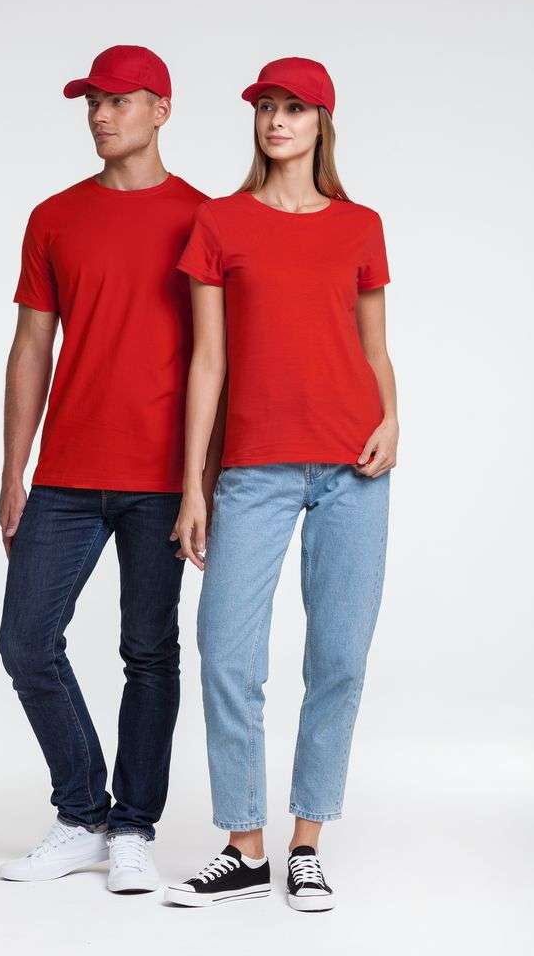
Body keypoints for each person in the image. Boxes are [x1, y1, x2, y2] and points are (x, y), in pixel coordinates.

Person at [165, 57, 398, 911]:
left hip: (352, 466)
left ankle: (305, 843)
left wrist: (393, 419)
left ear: (321, 123)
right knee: (226, 654)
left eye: (293, 108)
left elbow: (373, 348)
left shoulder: (360, 225)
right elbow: (208, 361)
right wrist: (194, 484)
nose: (275, 121)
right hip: (253, 468)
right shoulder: (219, 222)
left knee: (337, 658)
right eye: (266, 106)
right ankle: (243, 847)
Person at [0, 45, 213, 893]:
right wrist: (13, 471)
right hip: (66, 473)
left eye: (118, 100)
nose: (99, 114)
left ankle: (132, 829)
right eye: (91, 100)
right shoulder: (54, 216)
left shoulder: (204, 217)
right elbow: (30, 346)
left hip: (163, 477)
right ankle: (83, 812)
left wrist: (205, 482)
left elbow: (222, 358)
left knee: (149, 652)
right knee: (26, 642)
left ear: (161, 110)